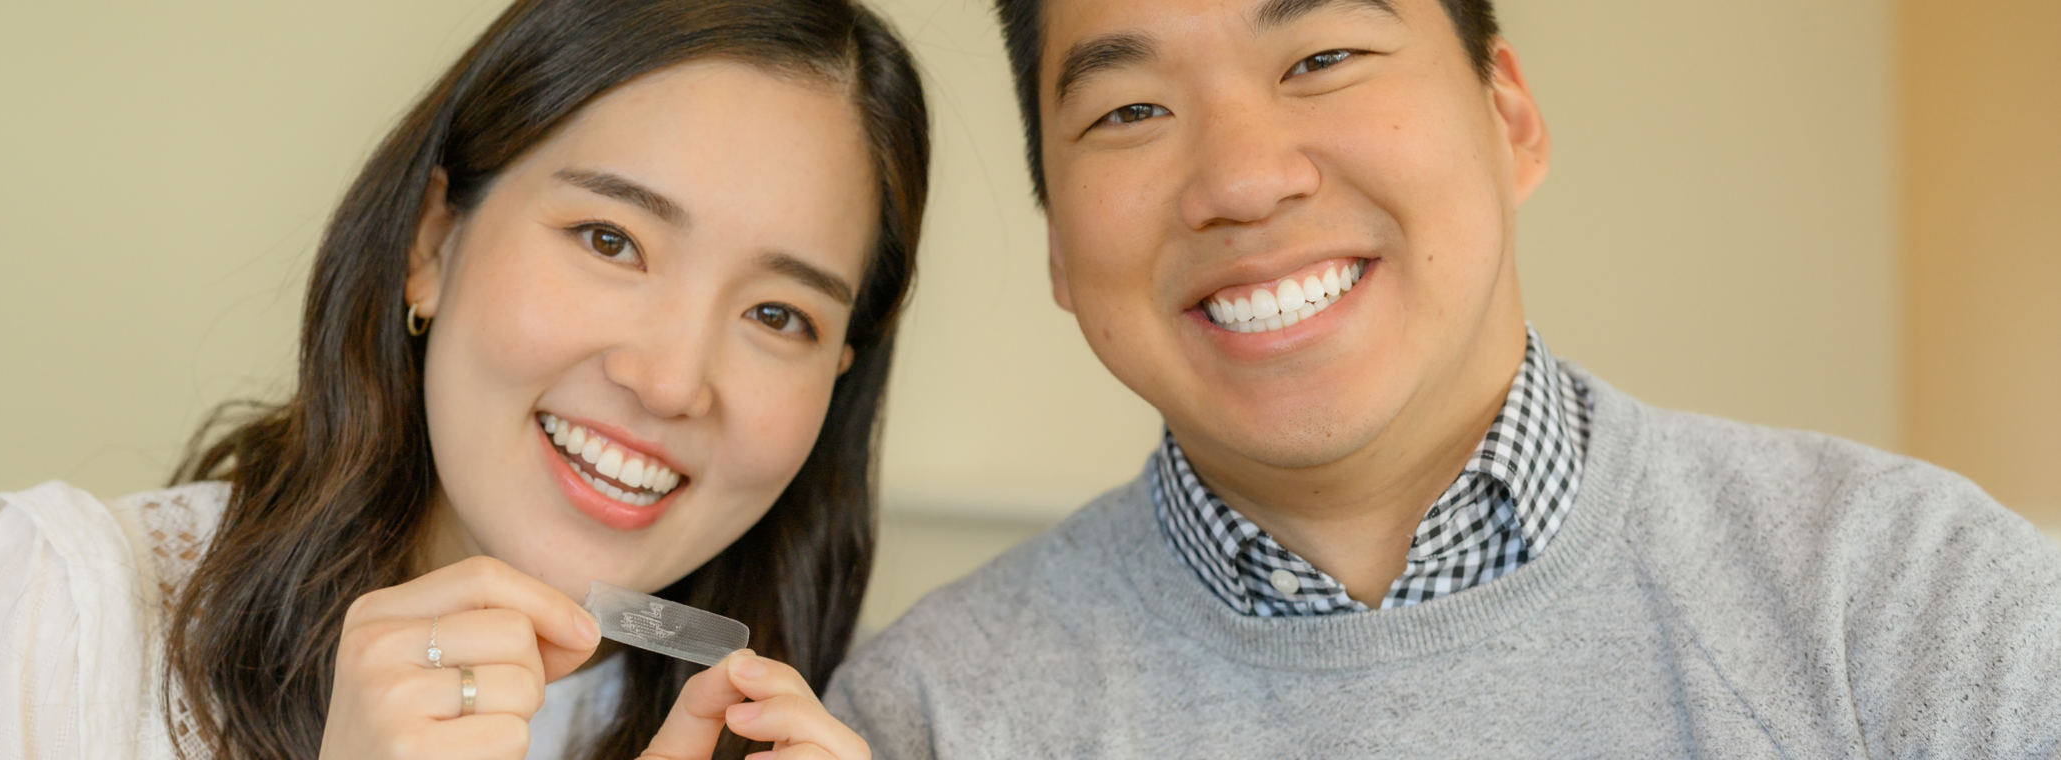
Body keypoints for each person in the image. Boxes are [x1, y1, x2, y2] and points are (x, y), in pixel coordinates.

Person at [823, 0, 2061, 755]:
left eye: (1321, 57)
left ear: (1510, 115)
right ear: (1056, 245)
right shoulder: (927, 714)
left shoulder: (1903, 601)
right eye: (1130, 111)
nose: (1244, 179)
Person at [0, 0, 927, 758]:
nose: (673, 381)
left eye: (777, 316)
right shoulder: (51, 617)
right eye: (612, 240)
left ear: (838, 377)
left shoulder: (874, 713)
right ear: (433, 241)